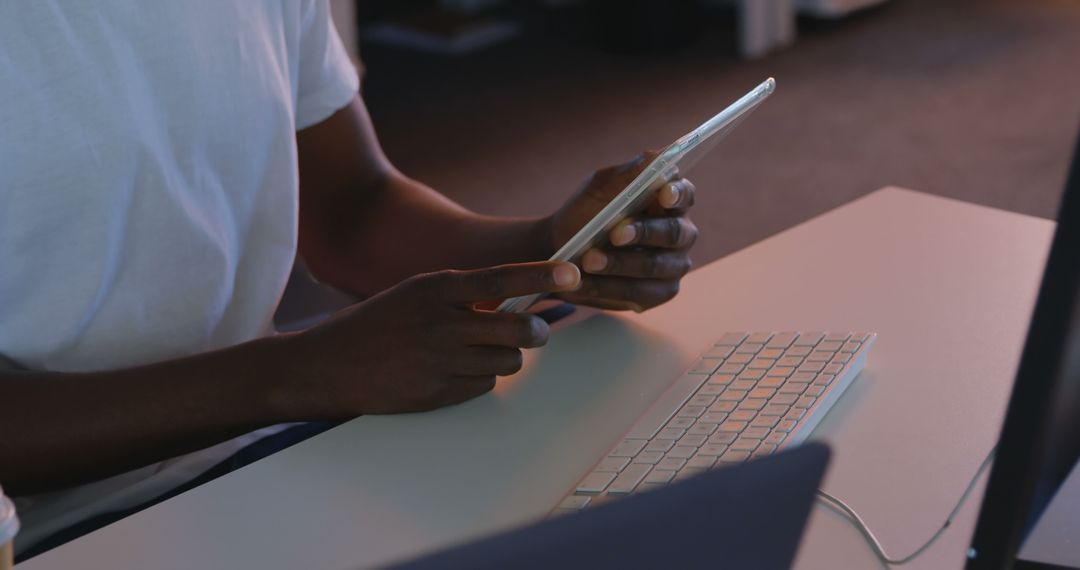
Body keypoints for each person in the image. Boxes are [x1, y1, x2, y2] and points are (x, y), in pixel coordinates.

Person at [0, 0, 698, 558]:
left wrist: (551, 251)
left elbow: (354, 210)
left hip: (273, 440)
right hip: (72, 525)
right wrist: (297, 373)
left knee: (658, 500)